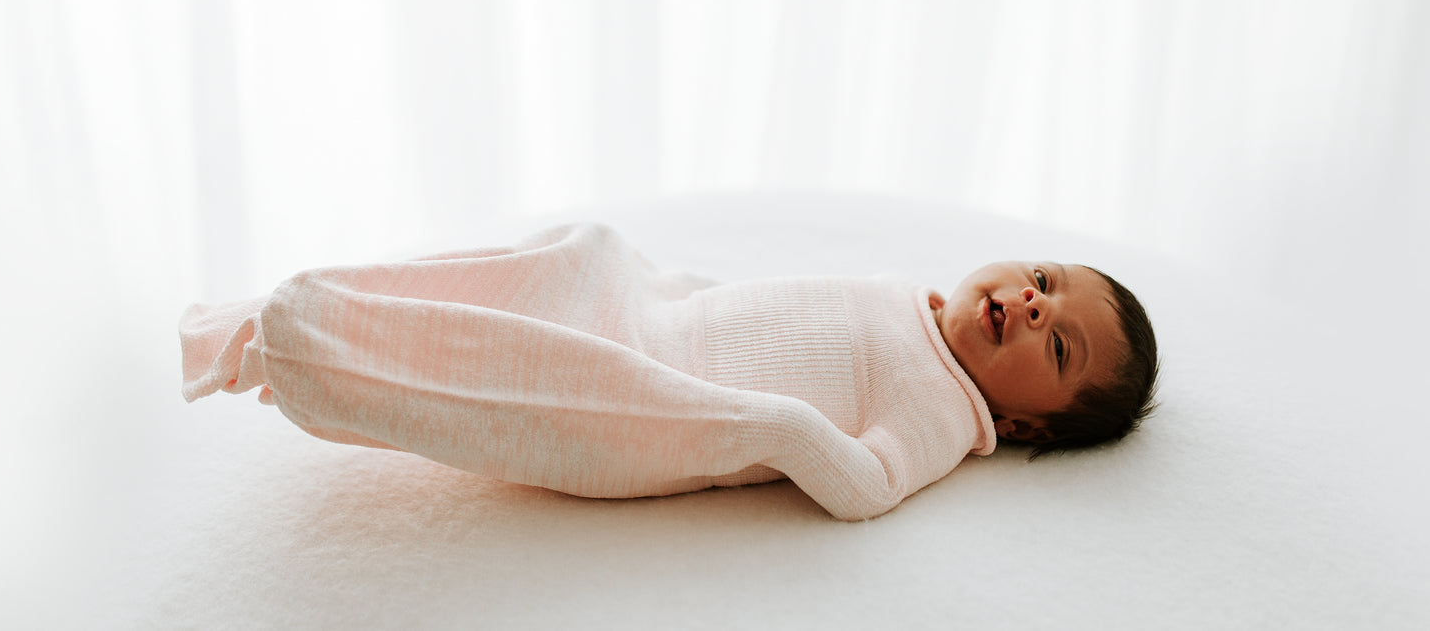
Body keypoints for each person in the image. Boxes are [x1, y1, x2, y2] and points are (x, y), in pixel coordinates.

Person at [180, 222, 1158, 520]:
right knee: (573, 256)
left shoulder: (943, 416)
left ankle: (308, 350)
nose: (1030, 305)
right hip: (659, 322)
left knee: (515, 380)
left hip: (667, 405)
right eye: (1042, 281)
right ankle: (298, 315)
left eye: (1055, 342)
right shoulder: (911, 301)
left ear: (1026, 425)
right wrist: (679, 287)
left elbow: (863, 487)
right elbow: (784, 304)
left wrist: (765, 424)